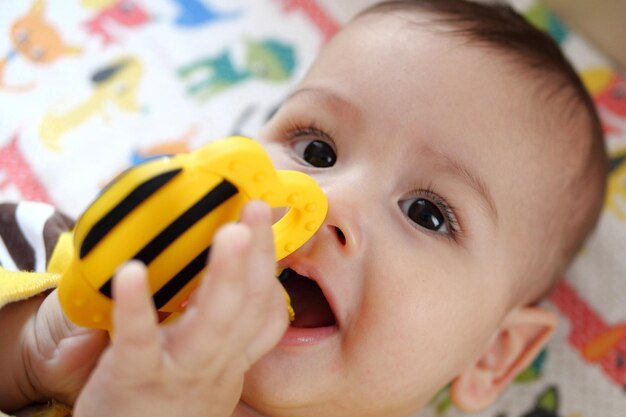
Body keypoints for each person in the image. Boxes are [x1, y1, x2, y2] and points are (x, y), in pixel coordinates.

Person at [0, 0, 609, 416]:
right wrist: (36, 350)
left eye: (427, 212)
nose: (327, 199)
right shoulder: (94, 269)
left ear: (492, 355)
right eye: (315, 149)